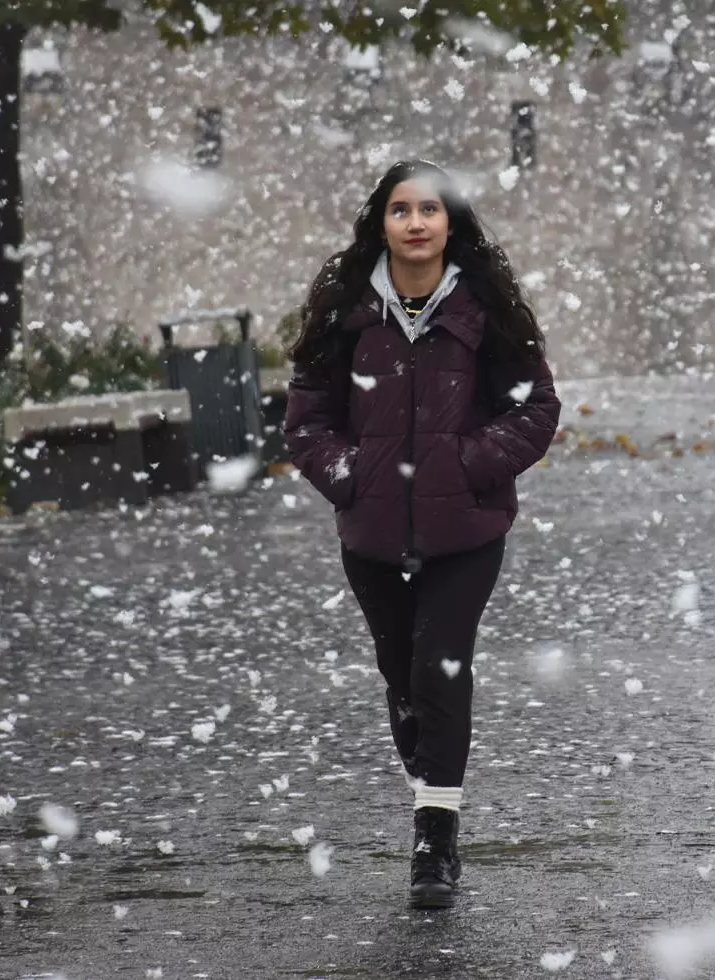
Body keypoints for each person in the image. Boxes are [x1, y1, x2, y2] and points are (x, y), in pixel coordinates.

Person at [283, 160, 562, 909]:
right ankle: (429, 780)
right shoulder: (348, 312)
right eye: (401, 209)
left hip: (465, 527)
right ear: (381, 221)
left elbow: (535, 409)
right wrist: (351, 474)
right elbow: (306, 418)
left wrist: (467, 464)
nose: (415, 222)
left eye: (430, 209)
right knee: (398, 673)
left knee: (439, 668)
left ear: (450, 223)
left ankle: (434, 840)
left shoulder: (485, 311)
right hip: (370, 529)